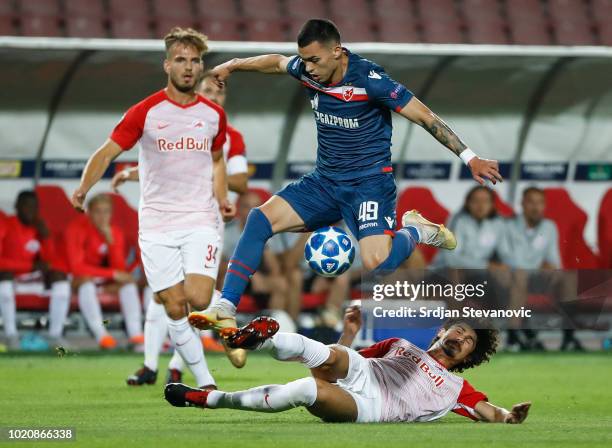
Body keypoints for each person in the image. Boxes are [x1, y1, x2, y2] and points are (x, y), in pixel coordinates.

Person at [191, 19, 502, 341]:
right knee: (258, 220)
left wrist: (470, 157)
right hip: (325, 182)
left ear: (337, 52)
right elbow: (276, 63)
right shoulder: (308, 70)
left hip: (369, 185)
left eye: (315, 60)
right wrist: (234, 65)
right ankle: (225, 307)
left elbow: (425, 117)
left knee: (376, 263)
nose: (308, 68)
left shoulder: (372, 81)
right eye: (305, 60)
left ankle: (416, 230)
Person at [71, 27, 235, 389]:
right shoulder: (145, 112)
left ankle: (224, 319)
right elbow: (107, 151)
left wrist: (221, 197)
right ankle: (206, 383)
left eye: (194, 61)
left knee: (198, 297)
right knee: (174, 306)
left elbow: (218, 159)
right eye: (181, 60)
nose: (188, 67)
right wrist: (84, 188)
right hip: (157, 224)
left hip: (199, 218)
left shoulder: (213, 116)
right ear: (167, 65)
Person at [112, 71, 250, 385]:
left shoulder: (229, 134)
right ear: (197, 91)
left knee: (188, 296)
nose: (214, 98)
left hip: (205, 218)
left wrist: (214, 178)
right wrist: (133, 173)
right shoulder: (177, 122)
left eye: (220, 94)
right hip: (172, 218)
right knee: (165, 296)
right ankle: (157, 365)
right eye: (208, 92)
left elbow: (241, 181)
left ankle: (220, 328)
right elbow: (166, 167)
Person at [165, 307, 531, 425]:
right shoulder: (398, 346)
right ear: (444, 329)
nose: (462, 338)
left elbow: (490, 412)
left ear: (468, 357)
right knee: (331, 354)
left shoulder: (455, 388)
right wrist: (349, 333)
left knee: (308, 391)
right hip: (366, 372)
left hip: (375, 407)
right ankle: (263, 339)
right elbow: (333, 362)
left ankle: (211, 398)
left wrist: (510, 415)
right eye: (460, 330)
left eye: (468, 342)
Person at [500, 187, 580, 351]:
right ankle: (513, 337)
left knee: (568, 277)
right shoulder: (508, 226)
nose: (536, 207)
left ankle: (569, 338)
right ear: (522, 204)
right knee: (520, 275)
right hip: (511, 278)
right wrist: (537, 266)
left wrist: (552, 268)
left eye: (540, 203)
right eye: (531, 202)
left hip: (535, 277)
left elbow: (553, 259)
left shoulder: (549, 227)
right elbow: (509, 259)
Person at [65, 193, 143, 350]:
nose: (102, 216)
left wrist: (111, 241)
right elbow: (77, 267)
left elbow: (119, 269)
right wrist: (112, 275)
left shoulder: (114, 232)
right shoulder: (76, 228)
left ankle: (136, 335)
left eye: (106, 211)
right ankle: (102, 336)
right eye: (98, 211)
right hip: (76, 279)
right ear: (89, 212)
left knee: (128, 285)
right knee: (87, 283)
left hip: (101, 280)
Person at [0, 191, 71, 350]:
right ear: (17, 206)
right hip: (11, 277)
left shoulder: (39, 227)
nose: (30, 210)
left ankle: (55, 336)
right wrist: (29, 266)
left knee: (60, 278)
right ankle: (11, 335)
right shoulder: (6, 224)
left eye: (34, 207)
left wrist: (45, 236)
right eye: (26, 205)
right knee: (4, 279)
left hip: (34, 279)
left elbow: (51, 261)